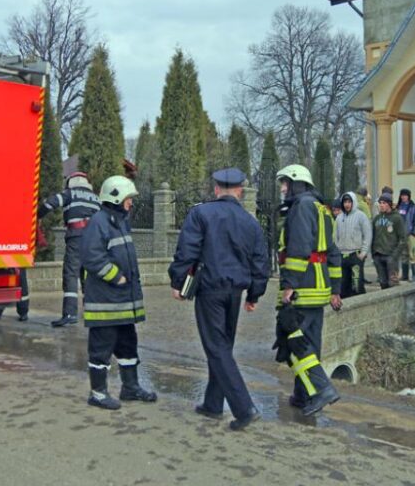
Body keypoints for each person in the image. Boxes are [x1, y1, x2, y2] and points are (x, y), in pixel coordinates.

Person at [168, 168, 269, 431]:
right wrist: (255, 294)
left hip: (209, 289)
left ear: (215, 189)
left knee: (217, 348)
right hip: (235, 293)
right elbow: (261, 262)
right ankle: (213, 404)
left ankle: (244, 408)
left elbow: (186, 250)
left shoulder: (200, 213)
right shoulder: (250, 222)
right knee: (222, 347)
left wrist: (177, 282)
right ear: (239, 191)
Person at [81, 175, 157, 410]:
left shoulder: (119, 221)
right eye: (128, 198)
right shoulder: (99, 222)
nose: (130, 203)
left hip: (122, 301)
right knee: (101, 348)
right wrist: (117, 276)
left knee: (128, 345)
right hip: (105, 303)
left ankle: (130, 387)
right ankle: (98, 393)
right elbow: (92, 257)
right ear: (115, 197)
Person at [275, 163, 342, 417]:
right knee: (310, 344)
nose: (283, 188)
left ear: (296, 183)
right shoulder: (322, 209)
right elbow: (333, 252)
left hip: (302, 288)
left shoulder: (301, 207)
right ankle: (302, 395)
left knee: (293, 344)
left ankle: (323, 390)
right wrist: (335, 289)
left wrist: (289, 285)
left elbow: (299, 249)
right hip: (320, 289)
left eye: (285, 183)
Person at [39, 172, 102, 327]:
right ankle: (92, 310)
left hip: (77, 238)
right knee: (89, 274)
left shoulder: (70, 193)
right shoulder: (96, 198)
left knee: (71, 273)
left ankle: (70, 313)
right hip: (94, 240)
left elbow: (50, 203)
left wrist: (37, 215)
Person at [335, 192, 371, 298]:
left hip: (355, 255)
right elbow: (335, 236)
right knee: (343, 286)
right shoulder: (339, 218)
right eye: (345, 202)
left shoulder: (361, 216)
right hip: (342, 256)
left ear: (353, 202)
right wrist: (337, 252)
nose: (347, 204)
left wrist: (363, 252)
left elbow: (367, 235)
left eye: (349, 202)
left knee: (356, 285)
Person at [371, 192, 406, 289]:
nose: (381, 205)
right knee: (383, 283)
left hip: (390, 256)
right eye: (380, 203)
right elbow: (372, 236)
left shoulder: (397, 218)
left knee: (393, 284)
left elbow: (403, 239)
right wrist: (373, 254)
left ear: (389, 204)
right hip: (378, 255)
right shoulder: (376, 219)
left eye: (384, 203)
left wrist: (394, 256)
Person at [397, 189, 415, 282]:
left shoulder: (414, 207)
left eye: (405, 195)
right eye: (402, 195)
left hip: (410, 235)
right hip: (401, 236)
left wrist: (414, 232)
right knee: (404, 255)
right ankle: (405, 275)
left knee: (413, 254)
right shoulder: (399, 207)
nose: (403, 197)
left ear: (408, 196)